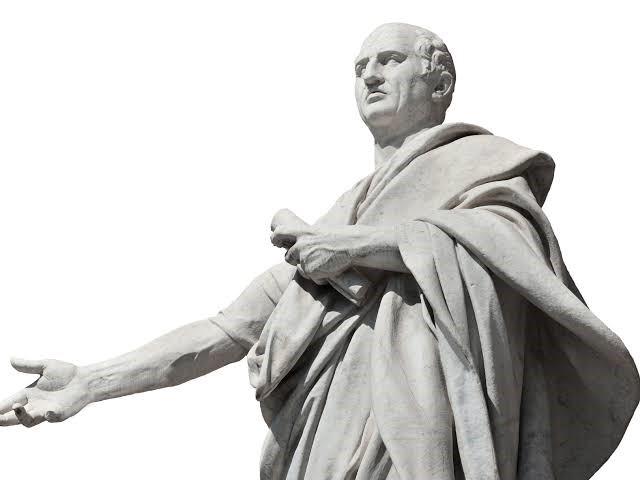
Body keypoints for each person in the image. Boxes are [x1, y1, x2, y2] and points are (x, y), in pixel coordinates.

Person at [1, 22, 638, 480]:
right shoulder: (339, 216)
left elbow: (509, 254)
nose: (370, 75)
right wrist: (92, 381)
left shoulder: (483, 169)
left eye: (389, 60)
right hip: (322, 447)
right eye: (360, 68)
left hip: (421, 443)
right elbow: (226, 329)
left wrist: (363, 248)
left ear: (440, 81)